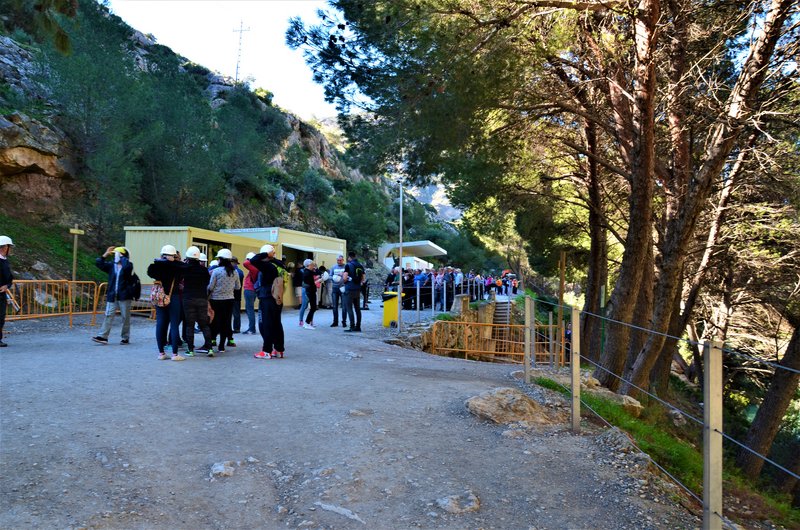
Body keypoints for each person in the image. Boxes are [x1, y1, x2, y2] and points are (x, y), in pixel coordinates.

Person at [147, 244, 185, 361]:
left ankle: (161, 353)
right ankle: (174, 354)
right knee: (174, 325)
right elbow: (184, 267)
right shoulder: (178, 267)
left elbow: (150, 271)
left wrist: (160, 260)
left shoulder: (155, 266)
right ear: (174, 255)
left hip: (160, 297)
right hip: (173, 297)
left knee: (160, 324)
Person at [92, 246, 135, 345]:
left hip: (124, 296)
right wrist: (105, 254)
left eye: (116, 254)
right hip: (112, 295)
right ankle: (103, 337)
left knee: (125, 317)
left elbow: (126, 267)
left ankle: (125, 337)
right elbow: (99, 263)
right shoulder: (111, 265)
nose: (114, 256)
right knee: (108, 315)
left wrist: (122, 257)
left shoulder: (128, 265)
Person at [250, 244, 287, 359]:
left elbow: (252, 260)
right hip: (278, 297)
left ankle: (266, 351)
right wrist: (272, 256)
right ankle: (279, 349)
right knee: (277, 323)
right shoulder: (279, 265)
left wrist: (266, 255)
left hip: (267, 297)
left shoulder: (268, 266)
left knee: (265, 324)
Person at [181, 246, 214, 356]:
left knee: (190, 325)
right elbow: (207, 282)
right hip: (201, 298)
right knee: (204, 325)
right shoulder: (204, 270)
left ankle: (190, 350)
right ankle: (209, 349)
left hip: (188, 299)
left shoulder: (184, 268)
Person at [208, 248, 240, 353]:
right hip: (229, 300)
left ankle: (212, 340)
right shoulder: (235, 272)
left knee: (214, 321)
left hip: (215, 300)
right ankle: (222, 346)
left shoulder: (216, 271)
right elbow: (238, 287)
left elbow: (210, 287)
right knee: (225, 322)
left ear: (221, 259)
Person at [342, 250, 364, 332]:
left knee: (349, 308)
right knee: (357, 308)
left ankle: (352, 326)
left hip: (349, 289)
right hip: (357, 289)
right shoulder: (360, 265)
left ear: (349, 257)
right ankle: (358, 327)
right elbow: (363, 279)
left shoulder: (348, 265)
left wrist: (345, 281)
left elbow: (344, 278)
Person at [0, 235, 14, 347]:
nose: (11, 249)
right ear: (5, 247)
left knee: (1, 316)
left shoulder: (5, 261)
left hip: (1, 294)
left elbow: (9, 278)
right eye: (10, 247)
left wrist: (7, 286)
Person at [241, 252, 259, 334]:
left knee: (250, 310)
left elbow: (245, 263)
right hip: (252, 290)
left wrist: (250, 259)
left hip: (249, 289)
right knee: (250, 309)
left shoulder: (254, 268)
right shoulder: (256, 267)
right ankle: (251, 328)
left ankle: (252, 328)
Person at [329, 255, 347, 327]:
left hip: (343, 288)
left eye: (340, 260)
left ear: (343, 260)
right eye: (338, 260)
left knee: (344, 306)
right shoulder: (333, 267)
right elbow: (330, 276)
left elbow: (349, 276)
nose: (339, 262)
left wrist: (343, 275)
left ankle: (344, 322)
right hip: (335, 288)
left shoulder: (346, 267)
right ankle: (335, 322)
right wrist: (333, 277)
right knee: (334, 306)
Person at [301, 261, 318, 329]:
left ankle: (309, 322)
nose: (313, 266)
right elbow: (311, 283)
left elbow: (316, 273)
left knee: (313, 307)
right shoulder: (307, 272)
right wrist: (318, 280)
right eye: (312, 265)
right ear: (308, 265)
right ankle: (307, 323)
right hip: (310, 291)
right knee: (313, 307)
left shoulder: (307, 271)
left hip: (310, 291)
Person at [231, 256, 244, 333]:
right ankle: (237, 328)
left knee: (234, 313)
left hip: (233, 295)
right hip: (237, 295)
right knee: (236, 313)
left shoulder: (235, 272)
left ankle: (236, 328)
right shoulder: (240, 271)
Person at [298, 258, 312, 327]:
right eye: (311, 264)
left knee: (312, 306)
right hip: (305, 289)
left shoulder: (311, 270)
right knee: (304, 305)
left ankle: (310, 321)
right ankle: (301, 320)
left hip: (310, 289)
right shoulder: (303, 271)